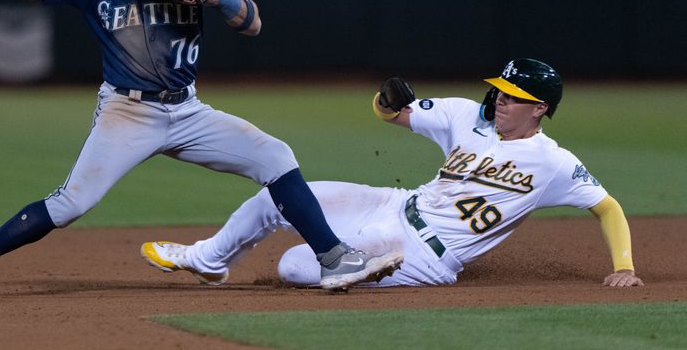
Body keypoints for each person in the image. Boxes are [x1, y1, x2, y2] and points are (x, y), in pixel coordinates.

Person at [0, 0, 402, 299]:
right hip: (127, 113)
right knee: (71, 203)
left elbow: (253, 23)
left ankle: (334, 260)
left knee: (276, 157)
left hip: (189, 111)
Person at [142, 58, 644, 288]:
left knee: (294, 265)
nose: (499, 99)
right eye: (499, 89)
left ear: (540, 110)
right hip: (394, 203)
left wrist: (624, 266)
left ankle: (363, 263)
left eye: (513, 97)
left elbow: (608, 207)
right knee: (289, 191)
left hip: (427, 257)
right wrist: (386, 103)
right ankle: (209, 258)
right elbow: (393, 113)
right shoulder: (465, 115)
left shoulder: (553, 162)